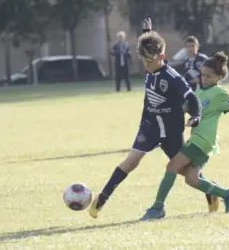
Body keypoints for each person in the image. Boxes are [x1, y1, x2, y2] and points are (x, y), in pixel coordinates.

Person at [89, 18, 217, 219]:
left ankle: (212, 190)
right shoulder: (151, 62)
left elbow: (191, 98)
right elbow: (150, 44)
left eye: (150, 61)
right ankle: (101, 199)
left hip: (171, 130)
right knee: (131, 161)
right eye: (144, 61)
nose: (146, 66)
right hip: (149, 126)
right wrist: (147, 32)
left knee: (185, 172)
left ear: (162, 57)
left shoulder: (172, 77)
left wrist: (196, 116)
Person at [141, 51, 229, 221]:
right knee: (191, 179)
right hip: (199, 141)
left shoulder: (220, 93)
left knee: (172, 167)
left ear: (220, 77)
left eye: (209, 76)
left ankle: (157, 207)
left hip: (203, 141)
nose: (204, 79)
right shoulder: (198, 92)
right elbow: (181, 110)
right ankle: (228, 194)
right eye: (203, 75)